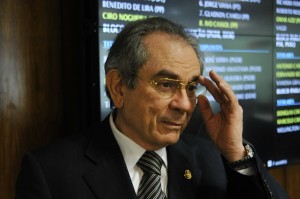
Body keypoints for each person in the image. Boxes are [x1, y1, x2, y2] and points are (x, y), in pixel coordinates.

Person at [15, 17, 289, 199]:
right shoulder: (50, 173)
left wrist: (235, 153)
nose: (184, 105)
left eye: (192, 87)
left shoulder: (212, 158)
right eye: (166, 84)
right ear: (119, 87)